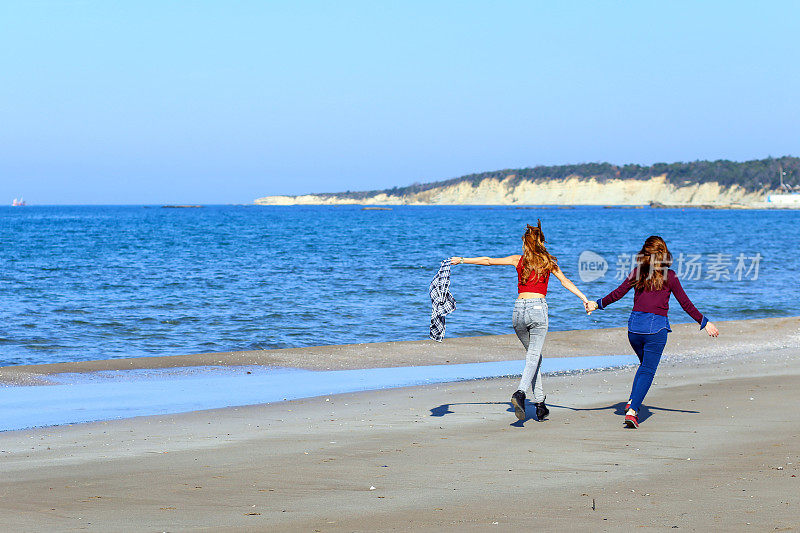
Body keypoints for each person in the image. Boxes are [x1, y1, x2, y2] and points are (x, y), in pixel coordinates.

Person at [450, 220, 590, 422]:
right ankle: (520, 393)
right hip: (537, 309)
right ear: (542, 243)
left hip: (518, 311)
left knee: (535, 358)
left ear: (526, 244)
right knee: (533, 357)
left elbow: (489, 261)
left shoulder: (518, 260)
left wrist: (462, 260)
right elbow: (565, 281)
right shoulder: (549, 262)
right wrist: (584, 299)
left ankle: (541, 404)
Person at [585, 235, 720, 429]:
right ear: (664, 253)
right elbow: (685, 304)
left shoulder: (637, 272)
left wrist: (596, 304)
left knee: (644, 367)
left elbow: (617, 293)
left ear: (645, 254)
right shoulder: (670, 276)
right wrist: (704, 322)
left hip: (634, 329)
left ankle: (632, 400)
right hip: (655, 329)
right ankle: (632, 411)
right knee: (648, 369)